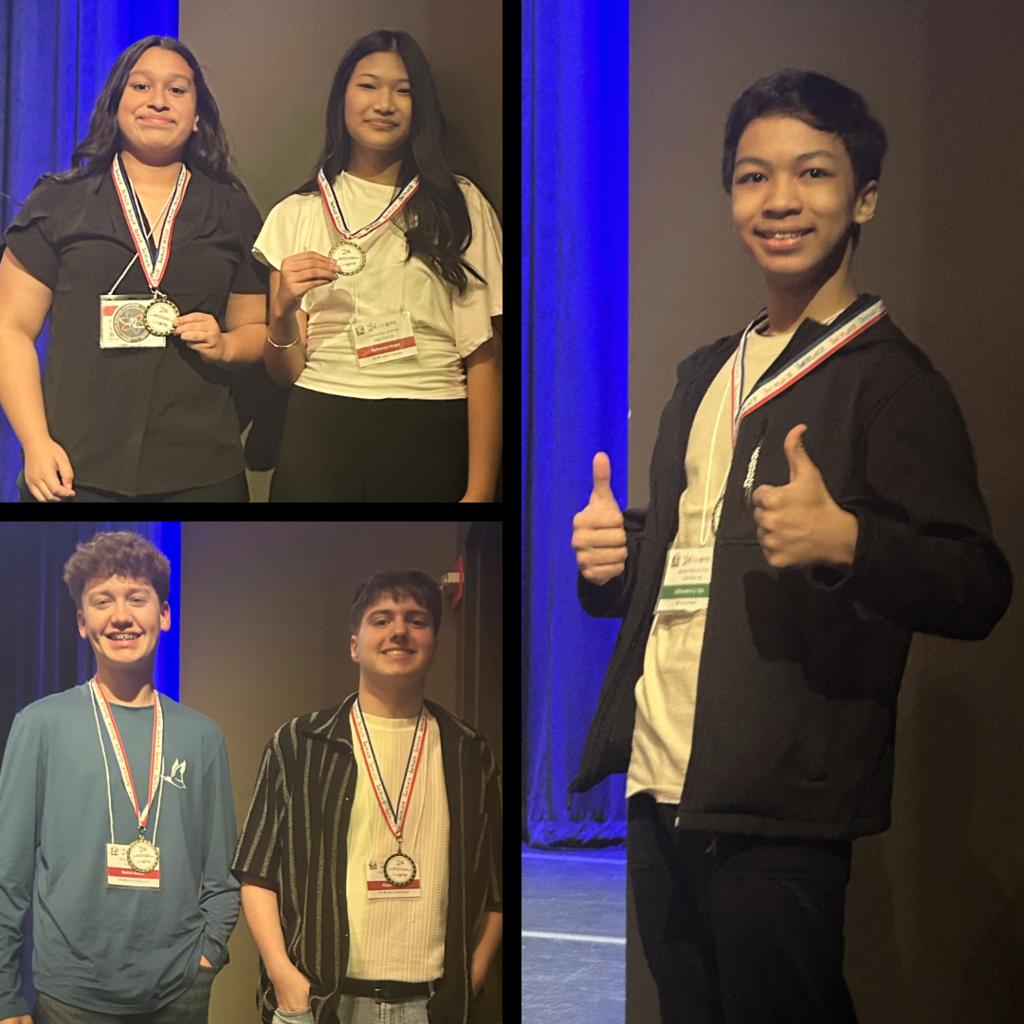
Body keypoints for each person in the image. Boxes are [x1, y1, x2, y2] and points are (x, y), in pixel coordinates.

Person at [569, 70, 1013, 1024]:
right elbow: (695, 558)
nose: (778, 200)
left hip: (779, 798)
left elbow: (978, 585)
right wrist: (615, 563)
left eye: (811, 173)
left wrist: (850, 539)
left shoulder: (891, 382)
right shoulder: (703, 375)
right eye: (751, 176)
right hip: (661, 775)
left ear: (863, 197)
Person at [0, 36, 269, 503]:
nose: (158, 101)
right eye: (141, 86)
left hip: (201, 470)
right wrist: (35, 443)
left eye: (178, 90)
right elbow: (10, 328)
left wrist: (225, 345)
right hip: (71, 466)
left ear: (198, 112)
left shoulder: (233, 210)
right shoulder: (59, 201)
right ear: (116, 104)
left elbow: (257, 329)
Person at [232, 570, 503, 1024]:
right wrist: (284, 977)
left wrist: (472, 977)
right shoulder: (298, 744)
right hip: (321, 1004)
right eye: (381, 619)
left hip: (436, 1006)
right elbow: (257, 872)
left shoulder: (468, 751)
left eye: (416, 620)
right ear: (355, 644)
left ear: (434, 642)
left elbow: (497, 885)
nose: (399, 630)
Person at [0, 530, 240, 1024]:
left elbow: (224, 875)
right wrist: (4, 995)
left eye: (137, 598)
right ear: (82, 622)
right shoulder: (40, 725)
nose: (122, 615)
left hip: (178, 991)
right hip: (69, 997)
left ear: (164, 614)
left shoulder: (202, 736)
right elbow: (9, 876)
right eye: (102, 601)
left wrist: (207, 957)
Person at [254, 30, 503, 503]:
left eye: (403, 90)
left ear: (421, 105)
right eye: (368, 85)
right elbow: (284, 372)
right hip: (319, 424)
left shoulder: (460, 204)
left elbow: (485, 357)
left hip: (429, 418)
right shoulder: (296, 212)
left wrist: (481, 492)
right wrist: (283, 310)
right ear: (342, 97)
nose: (384, 103)